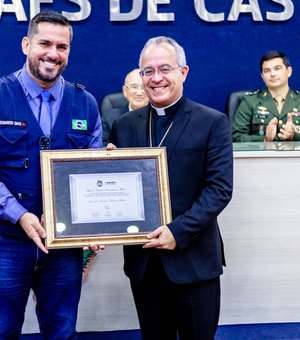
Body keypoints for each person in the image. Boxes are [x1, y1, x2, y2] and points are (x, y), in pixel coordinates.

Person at [109, 36, 233, 340]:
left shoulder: (212, 122)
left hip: (194, 262)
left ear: (183, 72)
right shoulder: (123, 126)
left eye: (165, 68)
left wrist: (177, 232)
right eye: (147, 71)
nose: (156, 78)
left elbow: (219, 189)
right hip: (144, 264)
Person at [0, 11, 102, 339]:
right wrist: (19, 215)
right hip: (7, 242)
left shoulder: (85, 103)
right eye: (45, 43)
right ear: (26, 44)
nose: (53, 54)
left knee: (62, 331)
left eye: (62, 46)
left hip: (64, 248)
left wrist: (98, 221)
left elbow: (93, 172)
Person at [232, 50, 300, 142]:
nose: (272, 74)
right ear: (262, 76)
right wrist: (264, 139)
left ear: (289, 71)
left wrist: (293, 135)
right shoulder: (250, 101)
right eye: (267, 71)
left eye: (277, 68)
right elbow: (236, 137)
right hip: (261, 156)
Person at [101, 68, 149, 145]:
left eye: (144, 87)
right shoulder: (110, 117)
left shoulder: (159, 116)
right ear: (125, 91)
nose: (139, 92)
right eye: (134, 87)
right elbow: (102, 146)